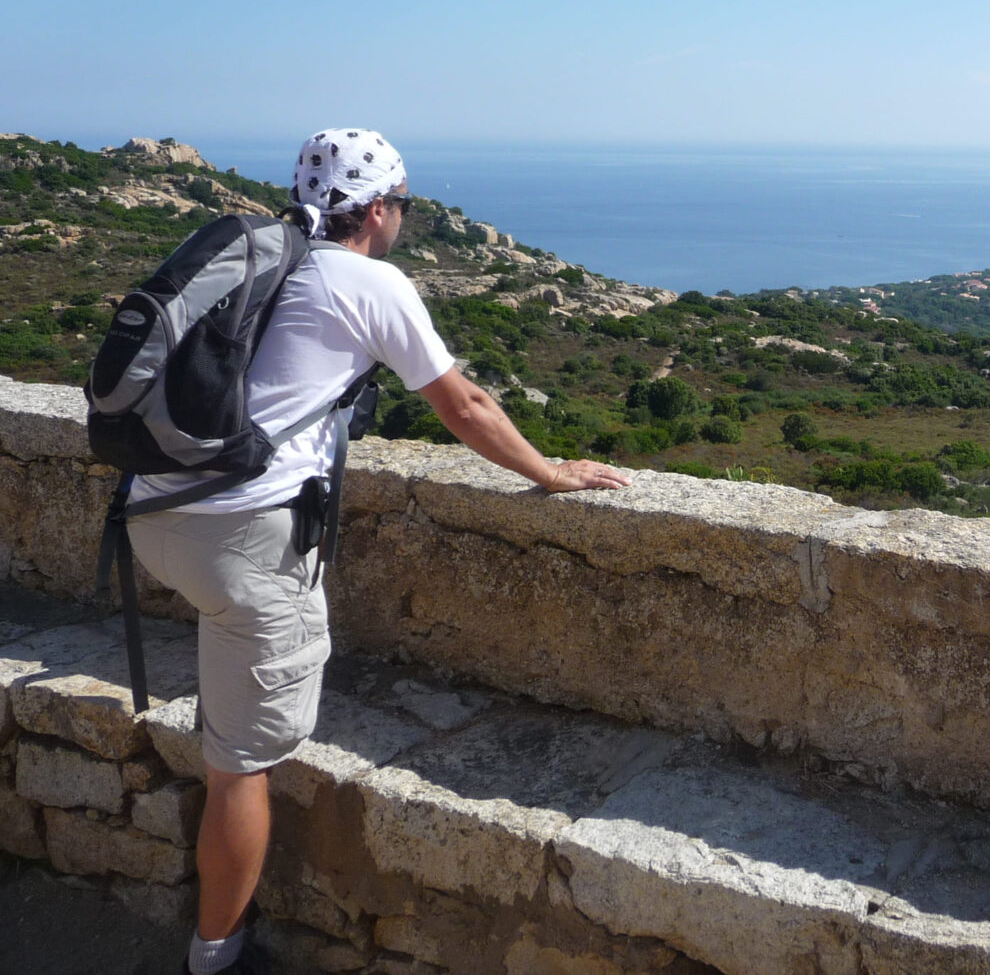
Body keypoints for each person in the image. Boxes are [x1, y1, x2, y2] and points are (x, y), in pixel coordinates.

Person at [125, 127, 630, 975]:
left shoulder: (267, 259)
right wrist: (552, 473)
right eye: (403, 205)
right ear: (377, 209)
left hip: (153, 514)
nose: (403, 220)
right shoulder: (369, 279)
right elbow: (463, 405)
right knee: (239, 770)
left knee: (232, 700)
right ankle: (215, 956)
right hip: (242, 539)